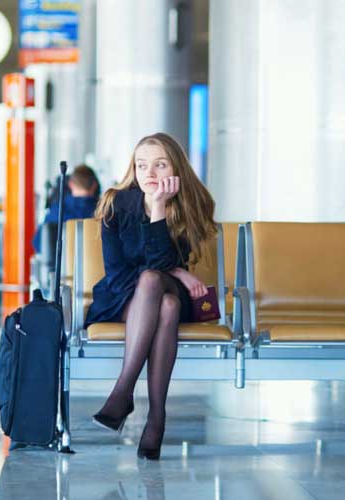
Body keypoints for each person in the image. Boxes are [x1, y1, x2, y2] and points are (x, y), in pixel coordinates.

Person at [86, 132, 216, 460]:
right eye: (142, 165)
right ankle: (157, 417)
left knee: (156, 282)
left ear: (176, 168)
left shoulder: (192, 203)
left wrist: (158, 208)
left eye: (160, 164)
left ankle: (123, 392)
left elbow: (158, 266)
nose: (150, 173)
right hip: (124, 296)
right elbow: (116, 272)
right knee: (165, 303)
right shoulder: (116, 203)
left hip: (166, 288)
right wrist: (178, 271)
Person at [31, 164, 100, 252]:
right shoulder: (105, 212)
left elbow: (38, 244)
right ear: (94, 185)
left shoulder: (57, 211)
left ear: (70, 184)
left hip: (62, 265)